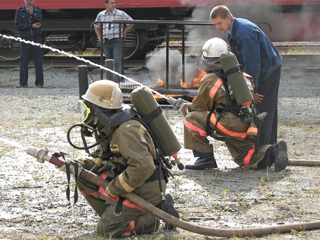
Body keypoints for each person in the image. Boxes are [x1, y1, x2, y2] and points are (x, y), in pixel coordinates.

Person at [65, 80, 179, 238]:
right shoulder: (108, 126)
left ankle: (152, 218)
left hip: (144, 188)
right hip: (130, 181)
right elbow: (100, 159)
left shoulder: (126, 130)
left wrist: (114, 188)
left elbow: (143, 167)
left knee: (108, 230)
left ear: (99, 110)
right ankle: (118, 213)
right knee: (82, 175)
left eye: (88, 109)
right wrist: (75, 165)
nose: (86, 115)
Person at [178, 38, 288, 171]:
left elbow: (200, 107)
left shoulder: (210, 80)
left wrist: (184, 107)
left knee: (192, 119)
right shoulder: (241, 75)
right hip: (248, 123)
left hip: (229, 124)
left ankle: (205, 158)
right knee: (245, 158)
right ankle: (272, 152)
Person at [210, 5, 282, 148]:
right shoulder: (233, 29)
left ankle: (263, 149)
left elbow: (252, 63)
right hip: (263, 67)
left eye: (219, 23)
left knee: (263, 108)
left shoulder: (244, 33)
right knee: (266, 107)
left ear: (228, 17)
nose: (218, 27)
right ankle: (270, 146)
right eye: (215, 24)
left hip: (268, 70)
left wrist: (251, 91)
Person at [94, 0, 134, 82]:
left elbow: (131, 22)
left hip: (117, 40)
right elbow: (96, 25)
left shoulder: (120, 13)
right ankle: (110, 80)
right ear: (106, 4)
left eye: (114, 3)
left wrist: (124, 32)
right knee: (109, 61)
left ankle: (120, 81)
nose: (114, 5)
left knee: (117, 61)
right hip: (106, 41)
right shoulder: (101, 15)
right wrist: (99, 37)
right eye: (111, 3)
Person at [14, 0, 44, 88]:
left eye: (30, 0)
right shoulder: (19, 11)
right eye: (27, 1)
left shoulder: (37, 11)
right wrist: (30, 26)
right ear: (24, 1)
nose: (29, 2)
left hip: (36, 38)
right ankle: (23, 83)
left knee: (38, 61)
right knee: (24, 61)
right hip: (25, 39)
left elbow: (39, 22)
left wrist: (32, 15)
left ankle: (39, 83)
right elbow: (18, 25)